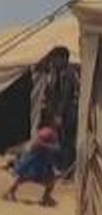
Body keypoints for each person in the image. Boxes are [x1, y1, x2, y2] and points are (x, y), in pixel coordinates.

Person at [40, 46, 78, 175]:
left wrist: (59, 114)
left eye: (56, 59)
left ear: (63, 58)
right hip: (58, 113)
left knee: (66, 141)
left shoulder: (69, 73)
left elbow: (66, 96)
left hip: (68, 113)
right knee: (59, 140)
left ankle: (66, 169)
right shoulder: (56, 73)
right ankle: (59, 166)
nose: (54, 62)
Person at [5, 124, 60, 206]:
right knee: (25, 176)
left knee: (51, 179)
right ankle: (10, 192)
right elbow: (37, 144)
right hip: (36, 159)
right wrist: (49, 147)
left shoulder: (52, 133)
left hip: (43, 159)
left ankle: (46, 197)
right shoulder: (46, 132)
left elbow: (53, 148)